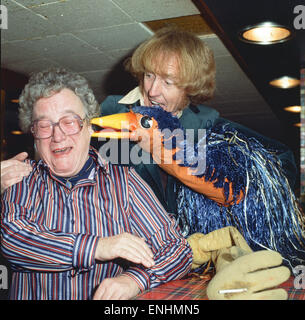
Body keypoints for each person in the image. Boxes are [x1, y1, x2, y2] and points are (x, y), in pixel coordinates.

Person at [0, 68, 192, 300]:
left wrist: (134, 280)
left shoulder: (126, 182)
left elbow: (177, 249)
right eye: (44, 125)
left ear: (90, 127)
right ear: (34, 134)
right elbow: (12, 241)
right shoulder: (19, 178)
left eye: (69, 121)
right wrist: (97, 247)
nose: (57, 135)